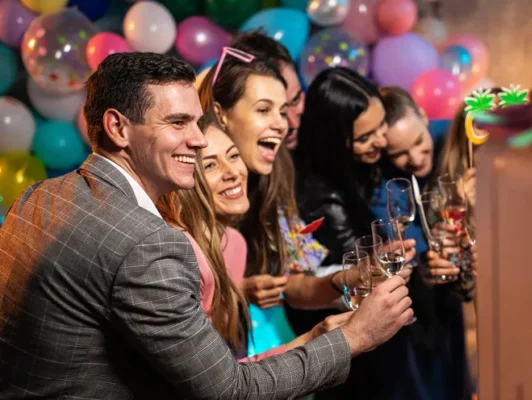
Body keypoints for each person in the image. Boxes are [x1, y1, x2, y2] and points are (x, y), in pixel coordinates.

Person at [0, 52, 414, 399]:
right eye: (178, 123)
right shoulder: (148, 244)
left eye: (197, 123)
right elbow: (227, 392)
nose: (198, 141)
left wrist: (317, 337)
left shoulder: (39, 196)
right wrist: (353, 339)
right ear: (118, 127)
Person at [197, 48, 369, 360]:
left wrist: (348, 278)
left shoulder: (277, 173)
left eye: (284, 109)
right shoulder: (188, 197)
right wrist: (239, 289)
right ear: (221, 114)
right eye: (264, 110)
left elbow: (293, 277)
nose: (283, 123)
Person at [156, 112, 354, 361]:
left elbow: (294, 279)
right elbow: (213, 381)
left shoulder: (234, 242)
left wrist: (349, 278)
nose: (232, 172)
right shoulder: (177, 256)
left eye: (233, 155)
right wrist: (314, 341)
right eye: (210, 165)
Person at [291, 67, 419, 400]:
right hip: (353, 352)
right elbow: (362, 275)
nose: (381, 140)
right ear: (334, 140)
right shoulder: (319, 198)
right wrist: (389, 266)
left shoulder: (364, 164)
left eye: (381, 127)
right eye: (365, 137)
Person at [373, 86, 474, 399]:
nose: (415, 158)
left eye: (418, 141)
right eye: (400, 153)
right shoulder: (387, 185)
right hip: (419, 317)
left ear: (424, 116)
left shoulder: (456, 138)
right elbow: (406, 247)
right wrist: (426, 265)